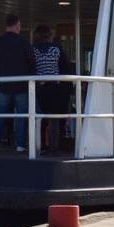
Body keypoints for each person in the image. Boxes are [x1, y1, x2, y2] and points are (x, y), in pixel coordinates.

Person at [0, 14, 36, 153]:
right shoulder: (24, 42)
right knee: (21, 115)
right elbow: (32, 63)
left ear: (6, 25)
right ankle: (20, 144)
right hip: (21, 85)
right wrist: (32, 78)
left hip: (3, 84)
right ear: (17, 25)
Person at [32, 24, 72, 155]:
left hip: (39, 87)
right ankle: (53, 147)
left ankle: (40, 145)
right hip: (55, 86)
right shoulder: (57, 48)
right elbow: (65, 65)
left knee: (39, 117)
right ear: (49, 35)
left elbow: (31, 67)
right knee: (54, 118)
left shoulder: (33, 49)